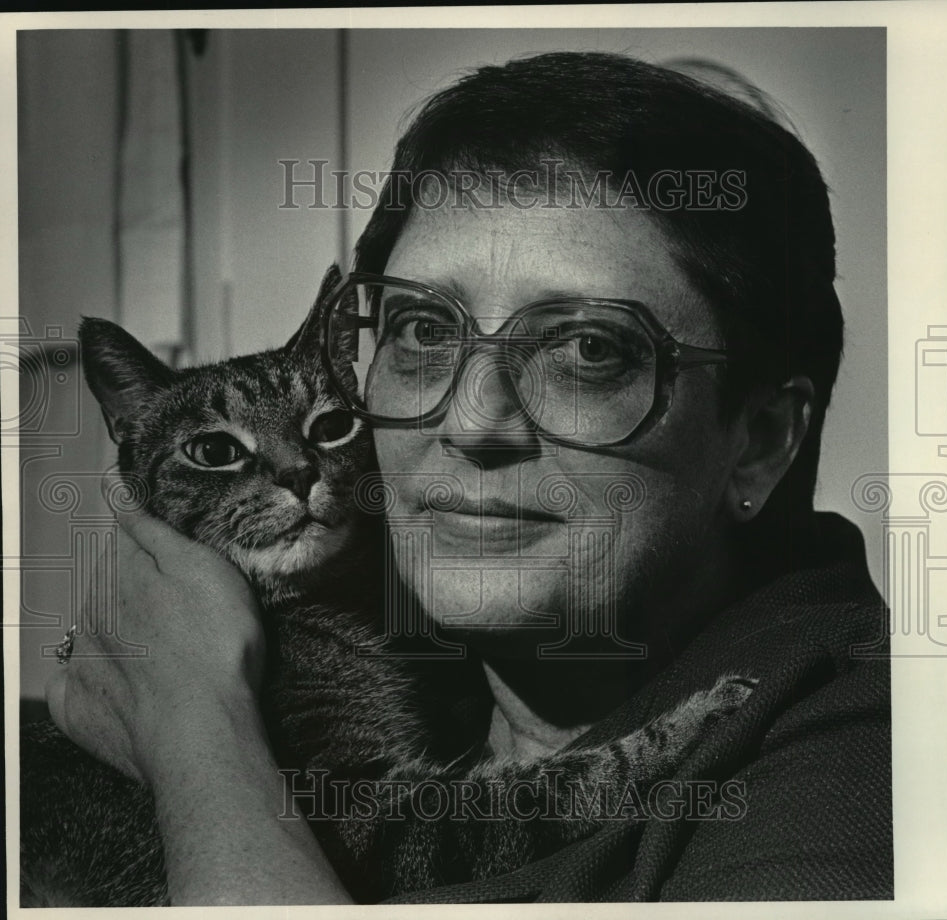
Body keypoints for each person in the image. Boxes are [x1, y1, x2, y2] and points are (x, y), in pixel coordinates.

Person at [45, 51, 892, 903]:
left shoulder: (857, 757)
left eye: (588, 349)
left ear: (759, 441)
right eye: (421, 331)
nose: (471, 421)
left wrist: (193, 731)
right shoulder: (409, 639)